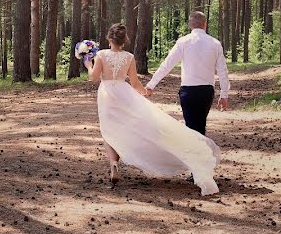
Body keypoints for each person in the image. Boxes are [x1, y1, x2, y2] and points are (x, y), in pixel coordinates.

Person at [84, 23, 220, 195]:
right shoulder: (129, 57)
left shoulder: (101, 55)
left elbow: (94, 78)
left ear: (109, 39)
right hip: (123, 93)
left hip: (106, 95)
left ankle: (114, 165)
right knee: (127, 127)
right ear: (124, 40)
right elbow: (134, 83)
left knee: (108, 130)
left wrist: (88, 64)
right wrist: (145, 92)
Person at [145, 11, 229, 137]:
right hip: (206, 91)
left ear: (190, 25)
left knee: (191, 127)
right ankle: (200, 152)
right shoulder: (215, 43)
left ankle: (196, 153)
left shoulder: (183, 42)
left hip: (188, 92)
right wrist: (224, 94)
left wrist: (151, 85)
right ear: (204, 24)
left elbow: (167, 64)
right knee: (200, 125)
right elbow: (222, 70)